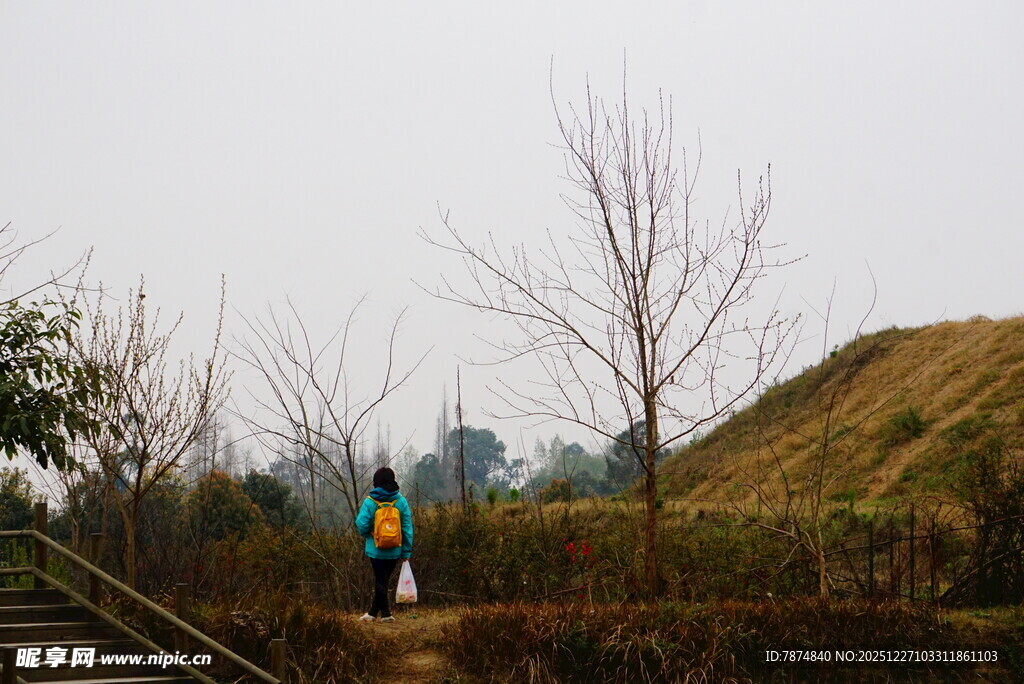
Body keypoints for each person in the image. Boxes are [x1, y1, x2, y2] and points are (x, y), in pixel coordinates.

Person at [355, 467, 413, 622]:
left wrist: (369, 535)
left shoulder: (370, 501)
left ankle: (383, 614)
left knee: (380, 579)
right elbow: (407, 527)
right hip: (395, 548)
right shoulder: (400, 501)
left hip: (376, 549)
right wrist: (406, 551)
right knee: (383, 579)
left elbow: (361, 524)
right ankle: (377, 613)